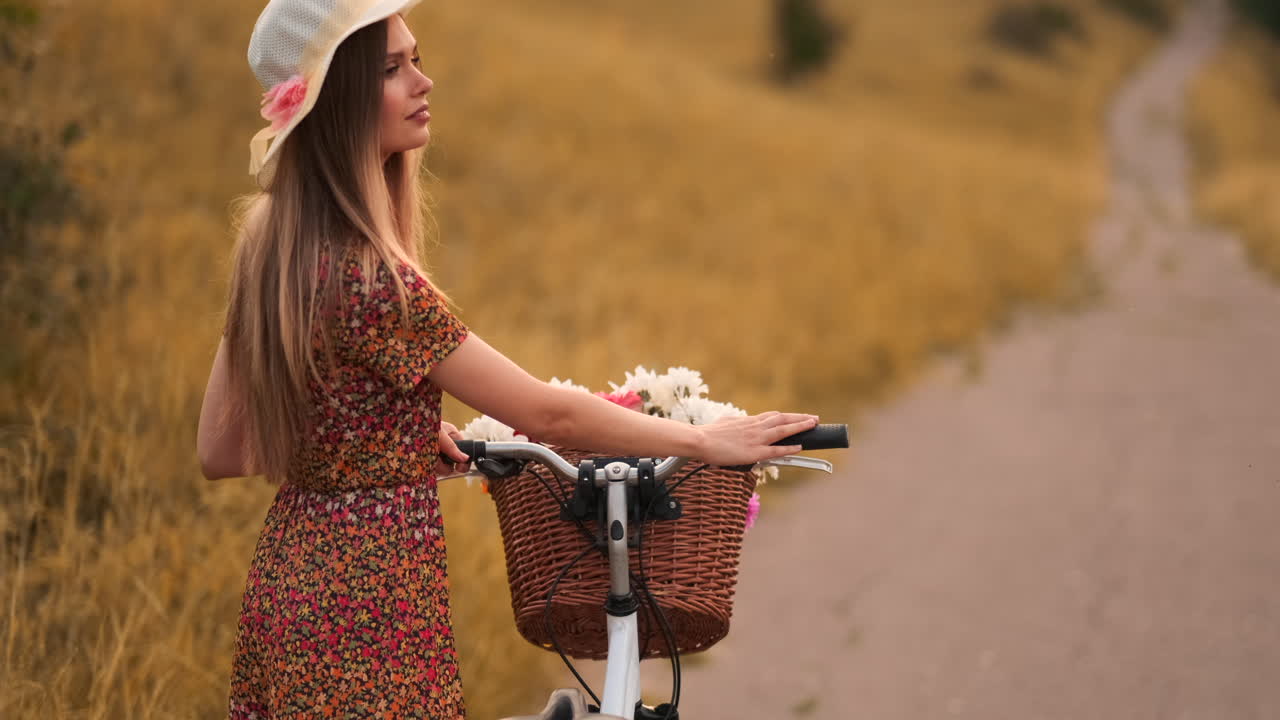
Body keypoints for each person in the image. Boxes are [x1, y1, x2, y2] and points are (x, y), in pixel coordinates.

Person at [196, 0, 819, 717]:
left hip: (291, 580)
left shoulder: (272, 248)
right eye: (392, 70)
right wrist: (705, 440)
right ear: (337, 100)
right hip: (368, 601)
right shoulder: (376, 279)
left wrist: (373, 446)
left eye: (416, 60)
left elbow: (221, 449)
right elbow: (541, 411)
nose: (422, 83)